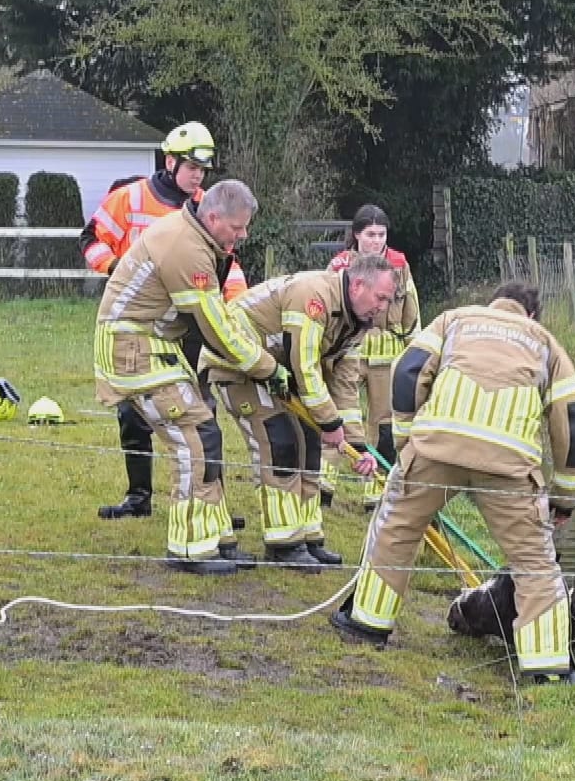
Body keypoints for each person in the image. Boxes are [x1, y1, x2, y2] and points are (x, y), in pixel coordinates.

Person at [330, 282, 575, 683]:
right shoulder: (545, 343)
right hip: (509, 463)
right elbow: (574, 422)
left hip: (436, 447)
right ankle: (547, 665)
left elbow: (407, 372)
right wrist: (565, 498)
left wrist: (406, 442)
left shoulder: (455, 320)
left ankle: (367, 622)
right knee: (534, 563)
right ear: (532, 315)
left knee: (396, 529)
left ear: (492, 304)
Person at [93, 180, 276, 575]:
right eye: (237, 227)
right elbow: (214, 327)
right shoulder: (187, 248)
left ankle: (216, 537)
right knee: (191, 436)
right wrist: (267, 367)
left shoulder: (197, 238)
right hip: (134, 350)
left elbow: (218, 317)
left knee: (206, 432)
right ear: (213, 218)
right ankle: (190, 547)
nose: (243, 236)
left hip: (151, 344)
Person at [81, 125, 247, 523]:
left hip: (189, 325)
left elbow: (227, 262)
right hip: (139, 328)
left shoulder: (209, 205)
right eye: (192, 167)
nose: (198, 177)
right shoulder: (130, 197)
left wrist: (237, 306)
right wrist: (116, 268)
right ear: (170, 161)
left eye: (203, 170)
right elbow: (91, 238)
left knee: (200, 411)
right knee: (133, 416)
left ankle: (211, 500)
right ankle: (138, 496)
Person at [207, 258, 398, 566]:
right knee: (278, 443)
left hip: (279, 373)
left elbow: (343, 386)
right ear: (359, 285)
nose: (384, 308)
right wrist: (329, 420)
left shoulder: (357, 323)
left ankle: (309, 537)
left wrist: (356, 444)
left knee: (310, 444)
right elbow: (305, 365)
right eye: (381, 298)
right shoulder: (314, 296)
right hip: (237, 366)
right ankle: (283, 544)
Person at [326, 205, 421, 510]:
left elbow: (411, 314)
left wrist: (415, 355)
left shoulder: (399, 265)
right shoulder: (341, 264)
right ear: (356, 235)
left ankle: (374, 492)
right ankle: (324, 486)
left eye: (381, 234)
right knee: (337, 417)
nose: (376, 241)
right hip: (345, 353)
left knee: (382, 426)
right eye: (370, 234)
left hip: (386, 358)